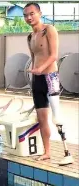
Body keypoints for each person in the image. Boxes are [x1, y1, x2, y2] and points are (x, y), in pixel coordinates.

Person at [24, 2, 73, 165]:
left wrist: (41, 69)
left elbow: (53, 56)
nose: (29, 17)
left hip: (50, 78)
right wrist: (34, 73)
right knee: (42, 118)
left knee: (56, 116)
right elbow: (33, 58)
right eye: (25, 15)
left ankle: (67, 151)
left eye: (32, 14)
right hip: (37, 80)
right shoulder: (30, 37)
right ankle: (47, 152)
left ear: (39, 13)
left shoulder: (49, 30)